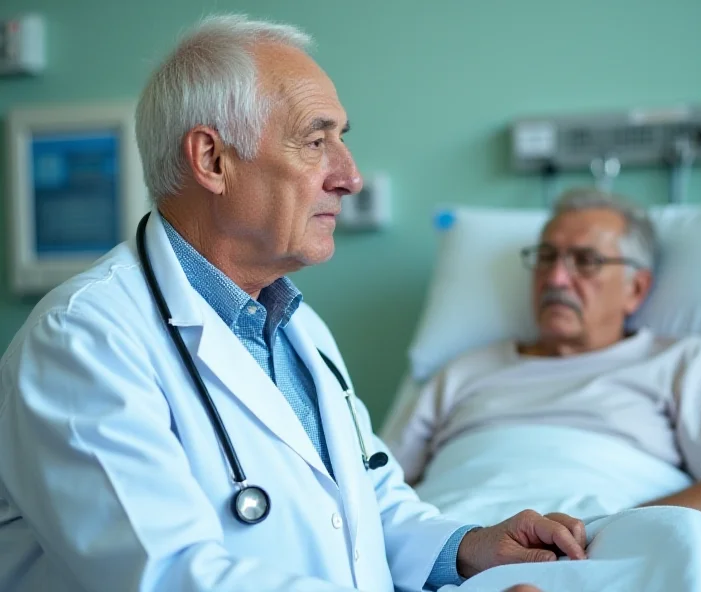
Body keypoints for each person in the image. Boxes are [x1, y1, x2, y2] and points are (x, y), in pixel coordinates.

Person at [0, 14, 586, 592]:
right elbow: (168, 575)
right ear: (212, 160)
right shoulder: (83, 342)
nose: (350, 177)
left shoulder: (296, 326)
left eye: (342, 139)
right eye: (315, 140)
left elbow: (366, 507)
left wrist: (466, 548)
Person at [384, 188, 701, 529]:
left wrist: (605, 532)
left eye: (585, 261)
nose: (555, 279)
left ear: (635, 289)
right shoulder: (462, 371)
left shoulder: (679, 362)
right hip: (457, 548)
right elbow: (375, 486)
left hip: (601, 547)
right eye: (546, 258)